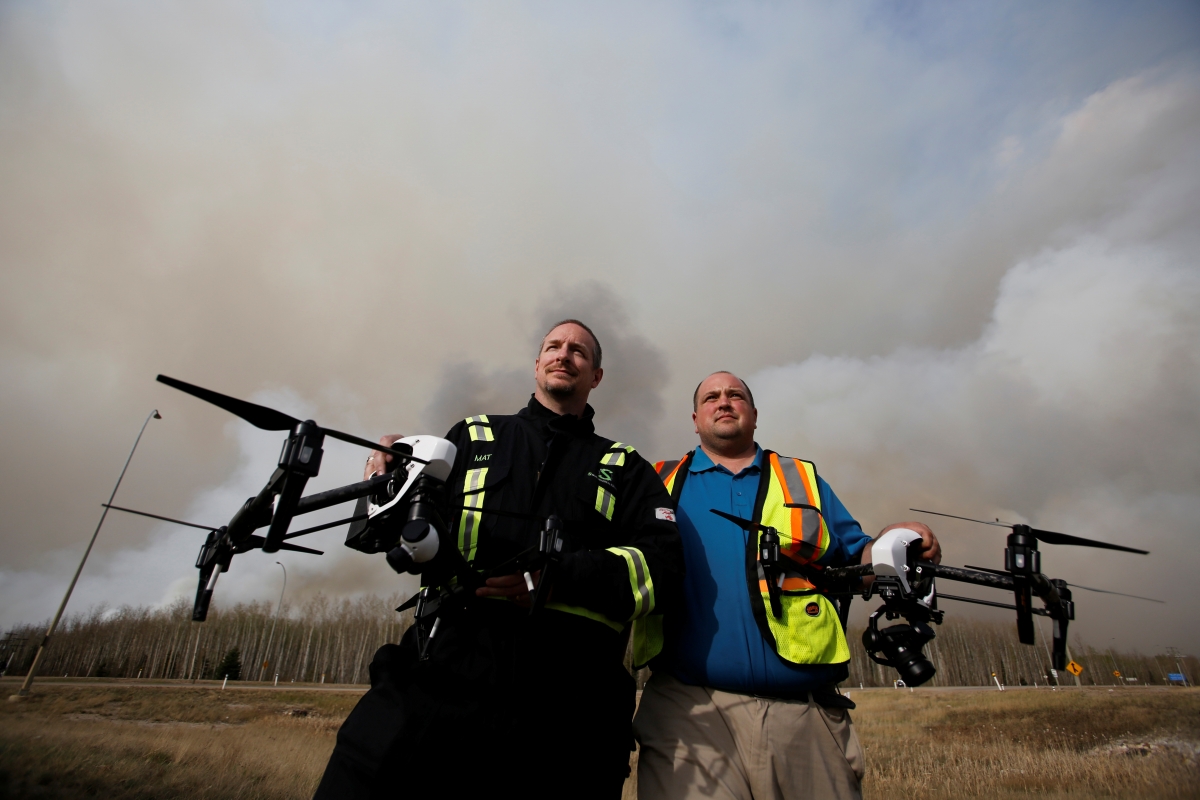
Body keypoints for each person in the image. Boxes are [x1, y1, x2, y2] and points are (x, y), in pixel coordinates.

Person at [315, 320, 683, 800]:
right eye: (554, 346)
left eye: (579, 351)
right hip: (446, 667)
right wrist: (382, 479)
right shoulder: (472, 436)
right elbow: (382, 534)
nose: (564, 354)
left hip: (571, 702)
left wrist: (561, 579)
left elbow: (665, 568)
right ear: (536, 365)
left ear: (596, 376)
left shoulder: (625, 465)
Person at [632, 371, 940, 800]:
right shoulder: (656, 482)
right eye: (712, 397)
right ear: (695, 418)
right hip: (689, 709)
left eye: (736, 395)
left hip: (803, 711)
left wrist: (898, 540)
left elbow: (859, 559)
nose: (724, 402)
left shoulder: (802, 478)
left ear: (754, 414)